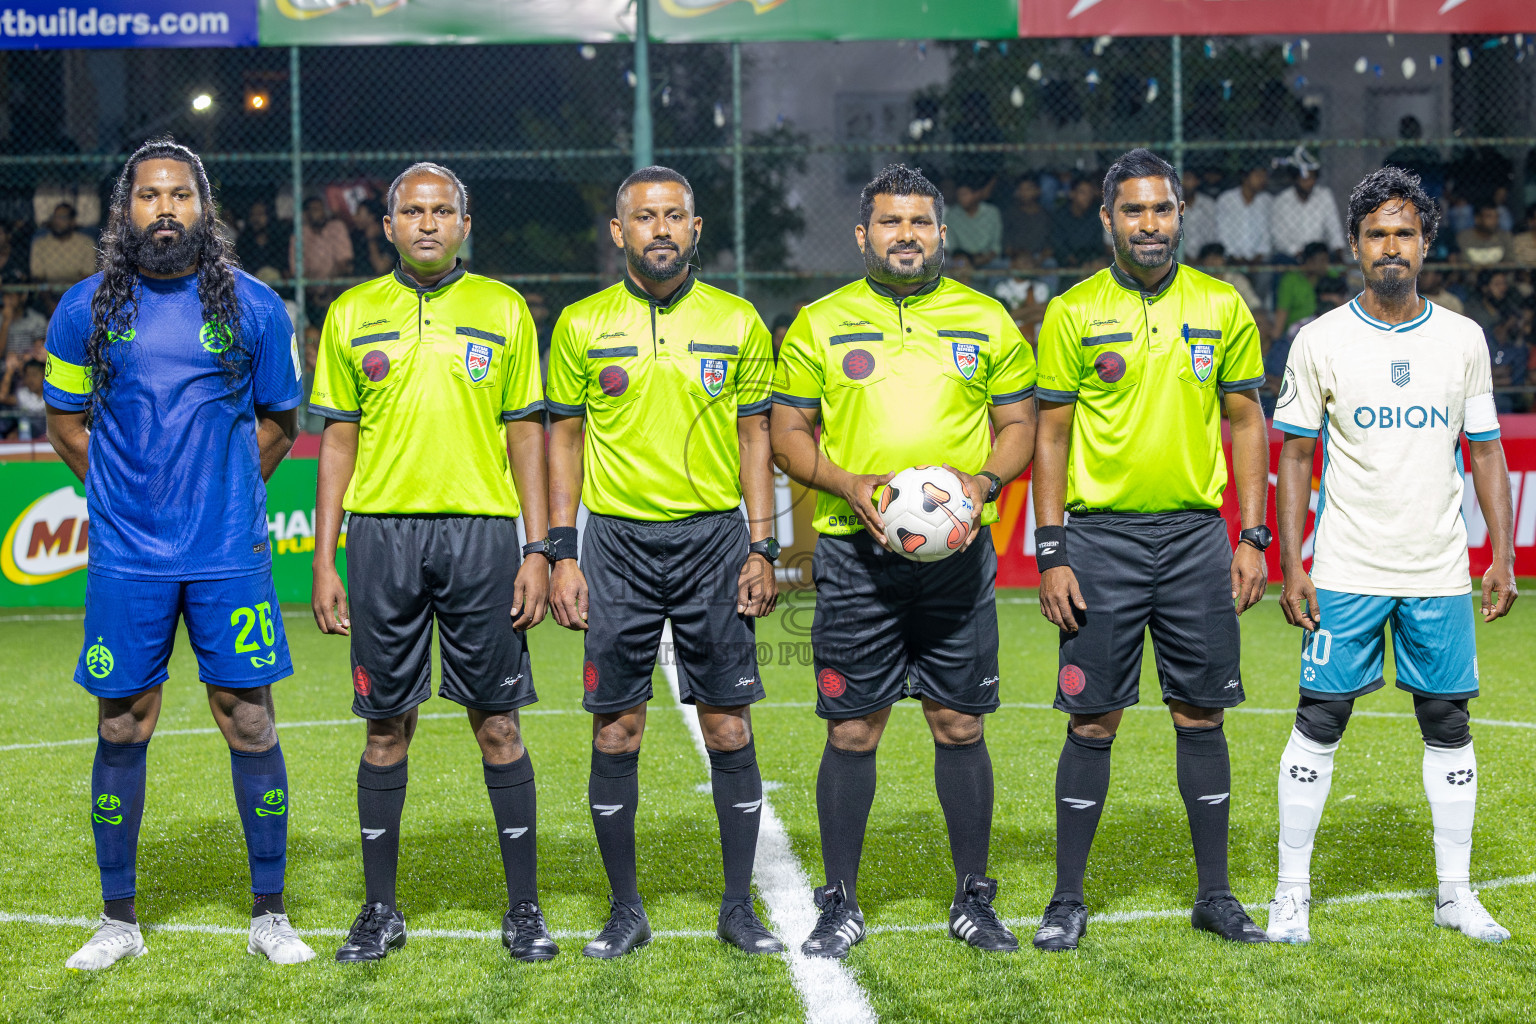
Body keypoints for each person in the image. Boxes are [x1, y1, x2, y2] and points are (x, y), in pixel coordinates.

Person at [41, 138, 312, 969]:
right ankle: (117, 920)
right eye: (149, 197)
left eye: (181, 196)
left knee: (250, 719)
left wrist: (226, 496)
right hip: (129, 558)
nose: (165, 211)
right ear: (124, 213)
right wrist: (126, 500)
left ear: (205, 207)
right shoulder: (82, 311)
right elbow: (63, 421)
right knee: (123, 723)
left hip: (228, 554)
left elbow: (280, 421)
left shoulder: (259, 308)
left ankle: (270, 913)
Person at [771, 163, 1037, 958]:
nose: (907, 235)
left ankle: (973, 897)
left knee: (959, 724)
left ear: (941, 234)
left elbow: (1019, 427)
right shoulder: (820, 322)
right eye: (891, 223)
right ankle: (840, 901)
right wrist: (849, 483)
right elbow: (789, 435)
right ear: (863, 235)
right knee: (853, 730)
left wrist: (985, 480)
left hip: (957, 561)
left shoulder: (986, 320)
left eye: (921, 222)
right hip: (856, 557)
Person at [308, 162, 556, 963]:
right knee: (385, 729)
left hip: (482, 535)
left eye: (440, 210)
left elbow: (527, 434)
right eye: (411, 211)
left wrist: (538, 548)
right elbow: (336, 440)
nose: (425, 222)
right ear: (386, 225)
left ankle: (525, 910)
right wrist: (324, 558)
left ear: (464, 221)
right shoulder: (350, 313)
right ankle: (380, 911)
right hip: (382, 537)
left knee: (498, 725)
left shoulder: (504, 309)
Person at [1267, 165, 1517, 945]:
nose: (1390, 245)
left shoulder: (1462, 339)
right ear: (1355, 244)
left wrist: (1500, 555)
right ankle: (1291, 893)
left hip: (1437, 569)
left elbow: (1485, 454)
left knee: (1447, 719)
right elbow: (1297, 458)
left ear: (1425, 242)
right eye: (1376, 233)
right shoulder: (1320, 340)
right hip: (1344, 565)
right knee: (1320, 717)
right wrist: (1294, 563)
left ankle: (1454, 893)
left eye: (1404, 231)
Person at [1032, 148, 1271, 952]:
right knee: (1092, 718)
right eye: (1132, 211)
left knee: (1200, 712)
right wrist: (1052, 549)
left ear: (1180, 215)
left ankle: (1216, 895)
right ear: (1107, 220)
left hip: (1197, 539)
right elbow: (1052, 434)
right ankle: (1068, 898)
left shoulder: (1221, 304)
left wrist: (1250, 535)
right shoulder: (1071, 312)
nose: (1149, 225)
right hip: (1100, 541)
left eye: (1161, 210)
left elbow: (1245, 423)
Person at [545, 165, 782, 959]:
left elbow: (757, 439)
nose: (660, 230)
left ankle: (738, 907)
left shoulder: (740, 321)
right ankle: (625, 910)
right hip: (614, 545)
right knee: (616, 730)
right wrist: (561, 552)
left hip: (715, 542)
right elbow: (566, 441)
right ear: (619, 233)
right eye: (644, 218)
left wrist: (761, 543)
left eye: (674, 215)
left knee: (725, 724)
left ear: (696, 228)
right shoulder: (579, 324)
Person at [1263, 274, 1347, 415]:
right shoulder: (1301, 328)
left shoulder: (1350, 326)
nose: (1341, 300)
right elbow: (1288, 366)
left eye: (1341, 295)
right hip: (1302, 381)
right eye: (1336, 296)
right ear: (1323, 298)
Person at [1270, 166, 1346, 261]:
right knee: (1280, 259)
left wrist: (1338, 253)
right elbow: (1279, 238)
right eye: (1305, 178)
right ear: (1295, 178)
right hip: (1291, 256)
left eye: (1312, 178)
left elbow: (1334, 229)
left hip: (1319, 255)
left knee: (1335, 264)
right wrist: (1299, 254)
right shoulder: (1281, 201)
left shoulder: (1324, 196)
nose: (1309, 182)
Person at [1273, 242, 1335, 341]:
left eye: (1327, 260)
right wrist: (1275, 338)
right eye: (1321, 260)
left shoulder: (1332, 277)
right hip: (1297, 333)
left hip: (1325, 330)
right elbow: (1282, 312)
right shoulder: (1290, 280)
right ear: (1309, 261)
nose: (1325, 265)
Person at [30, 202, 98, 286]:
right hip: (48, 291)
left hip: (76, 290)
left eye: (62, 218)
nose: (57, 221)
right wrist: (48, 298)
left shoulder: (86, 243)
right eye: (55, 217)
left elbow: (88, 275)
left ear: (72, 221)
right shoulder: (40, 244)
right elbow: (38, 276)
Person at [1215, 166, 1273, 263]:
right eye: (1258, 176)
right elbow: (1221, 232)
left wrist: (1260, 255)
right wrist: (1233, 255)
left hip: (1260, 260)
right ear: (1245, 178)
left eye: (1264, 176)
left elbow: (1267, 233)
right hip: (1230, 258)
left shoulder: (1267, 201)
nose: (1262, 180)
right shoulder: (1227, 199)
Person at [289, 196, 353, 281]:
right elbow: (297, 271)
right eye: (315, 210)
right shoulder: (299, 236)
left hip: (336, 280)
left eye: (322, 209)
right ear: (306, 214)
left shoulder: (337, 227)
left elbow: (344, 261)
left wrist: (329, 281)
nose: (321, 213)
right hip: (311, 284)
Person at [945, 179, 1003, 268]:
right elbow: (953, 246)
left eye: (964, 195)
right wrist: (964, 258)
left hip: (988, 258)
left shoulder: (991, 212)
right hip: (962, 260)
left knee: (1002, 266)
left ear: (977, 194)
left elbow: (995, 245)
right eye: (959, 195)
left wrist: (986, 258)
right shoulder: (952, 215)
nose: (961, 199)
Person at [1051, 177, 1108, 267]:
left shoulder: (1096, 214)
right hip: (1066, 262)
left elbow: (1097, 245)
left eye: (1090, 192)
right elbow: (1059, 246)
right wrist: (1077, 262)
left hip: (1091, 260)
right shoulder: (1061, 215)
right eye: (1082, 192)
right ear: (1072, 194)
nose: (1087, 197)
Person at [1002, 176, 1054, 263]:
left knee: (1051, 263)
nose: (1024, 193)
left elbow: (1051, 246)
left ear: (1038, 191)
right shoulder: (1009, 214)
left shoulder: (1046, 216)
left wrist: (1038, 260)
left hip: (1039, 257)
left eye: (1028, 189)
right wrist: (1020, 257)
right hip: (1014, 258)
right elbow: (1006, 246)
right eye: (1021, 189)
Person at [235, 201, 288, 280]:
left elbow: (283, 268)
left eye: (260, 214)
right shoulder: (243, 241)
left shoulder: (278, 240)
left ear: (268, 216)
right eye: (253, 215)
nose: (256, 219)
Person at [1179, 170, 1219, 263]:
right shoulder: (1171, 206)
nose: (1183, 183)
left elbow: (1213, 235)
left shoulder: (1208, 204)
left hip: (1206, 257)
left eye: (1188, 178)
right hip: (1179, 258)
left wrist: (1204, 257)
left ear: (1197, 182)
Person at [349, 198, 394, 278]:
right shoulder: (357, 236)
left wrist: (372, 240)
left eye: (359, 213)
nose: (355, 218)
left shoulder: (390, 237)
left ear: (372, 216)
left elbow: (380, 268)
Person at [1, 284, 48, 356]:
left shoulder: (37, 320)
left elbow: (40, 352)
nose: (7, 300)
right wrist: (6, 321)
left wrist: (21, 359)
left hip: (27, 364)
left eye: (11, 296)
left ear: (23, 296)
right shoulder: (2, 319)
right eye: (5, 295)